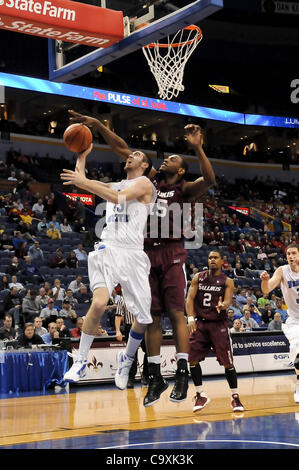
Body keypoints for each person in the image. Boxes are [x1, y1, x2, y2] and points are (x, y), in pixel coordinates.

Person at [67, 111, 215, 406]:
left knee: (165, 314)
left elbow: (209, 179)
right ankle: (148, 373)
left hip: (163, 251)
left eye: (173, 159)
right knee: (142, 314)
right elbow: (123, 150)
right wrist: (98, 128)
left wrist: (198, 147)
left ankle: (180, 372)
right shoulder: (149, 178)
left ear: (181, 170)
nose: (166, 160)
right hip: (135, 248)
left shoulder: (176, 187)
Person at [60, 138, 156, 390]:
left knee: (144, 317)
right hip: (109, 248)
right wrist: (82, 155)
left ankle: (127, 357)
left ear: (145, 164)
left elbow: (118, 197)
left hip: (133, 254)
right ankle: (80, 360)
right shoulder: (117, 183)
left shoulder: (144, 183)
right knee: (100, 302)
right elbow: (86, 182)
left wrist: (85, 182)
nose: (130, 155)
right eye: (130, 153)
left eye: (136, 153)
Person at [186, 250, 244, 412]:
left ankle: (235, 398)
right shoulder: (198, 277)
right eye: (210, 257)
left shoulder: (227, 281)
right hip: (201, 325)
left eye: (215, 258)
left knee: (227, 363)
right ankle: (200, 394)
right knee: (192, 359)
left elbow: (227, 300)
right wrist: (190, 318)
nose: (212, 260)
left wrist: (223, 306)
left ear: (221, 261)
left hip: (219, 325)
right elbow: (189, 299)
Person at [260, 243, 299, 402]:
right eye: (288, 253)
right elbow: (266, 290)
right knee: (297, 354)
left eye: (294, 253)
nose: (291, 256)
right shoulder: (282, 271)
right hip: (295, 320)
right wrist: (265, 280)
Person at [115, 288, 148, 388]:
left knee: (149, 352)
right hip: (129, 327)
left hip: (144, 325)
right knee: (132, 354)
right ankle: (131, 378)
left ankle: (146, 376)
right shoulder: (122, 299)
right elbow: (118, 315)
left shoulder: (142, 297)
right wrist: (117, 331)